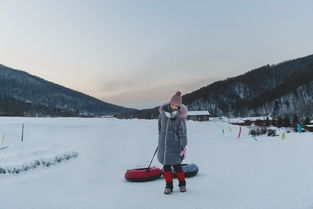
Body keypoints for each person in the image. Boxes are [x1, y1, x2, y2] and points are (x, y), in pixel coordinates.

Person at [157, 91, 188, 194]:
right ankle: (169, 186)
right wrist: (161, 138)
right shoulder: (162, 115)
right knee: (166, 167)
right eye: (173, 104)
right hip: (163, 146)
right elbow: (160, 128)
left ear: (179, 107)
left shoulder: (180, 119)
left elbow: (183, 132)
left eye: (177, 106)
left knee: (177, 167)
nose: (174, 107)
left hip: (174, 146)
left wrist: (183, 145)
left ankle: (182, 184)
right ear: (170, 103)